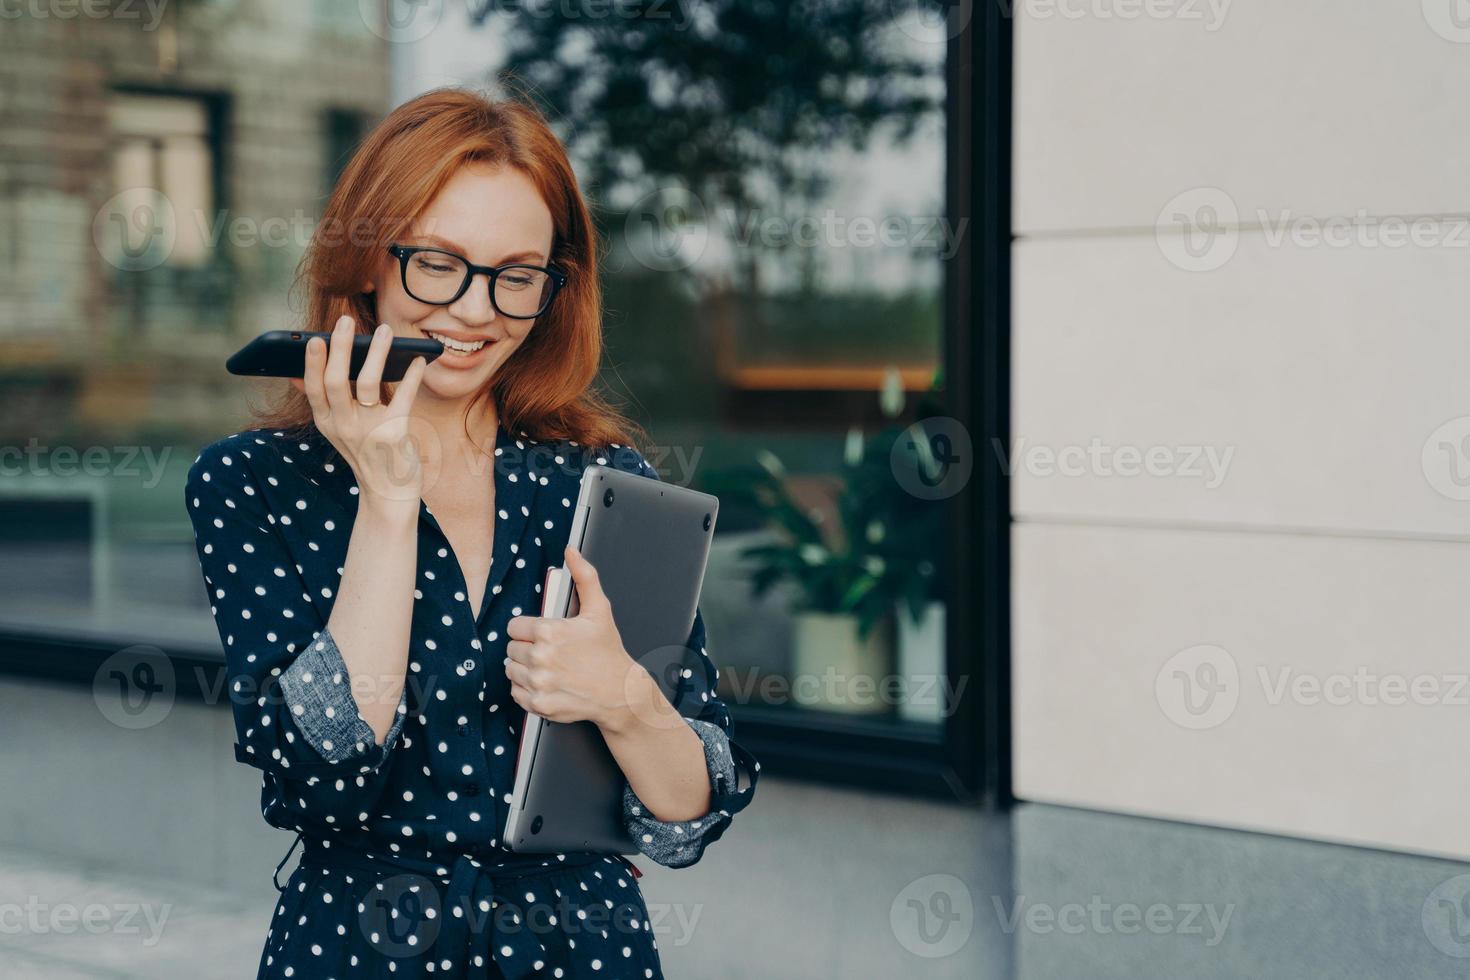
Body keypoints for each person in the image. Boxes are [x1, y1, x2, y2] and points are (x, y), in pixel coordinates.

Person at [183, 86, 758, 979]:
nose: (475, 310)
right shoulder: (254, 482)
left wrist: (623, 697)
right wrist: (385, 497)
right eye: (438, 263)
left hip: (584, 948)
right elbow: (325, 775)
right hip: (361, 946)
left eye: (515, 274)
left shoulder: (603, 488)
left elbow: (687, 820)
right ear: (369, 259)